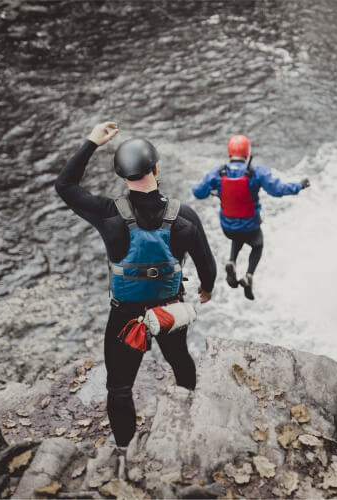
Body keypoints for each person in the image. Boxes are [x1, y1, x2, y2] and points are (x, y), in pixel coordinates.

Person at [55, 121, 216, 464]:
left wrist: (92, 142)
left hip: (126, 314)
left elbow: (65, 185)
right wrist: (206, 289)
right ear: (157, 168)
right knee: (180, 360)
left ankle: (126, 451)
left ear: (121, 177)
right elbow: (207, 264)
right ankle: (184, 416)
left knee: (120, 386)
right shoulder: (184, 216)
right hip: (170, 310)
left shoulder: (107, 213)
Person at [192, 134, 309, 300]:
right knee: (257, 245)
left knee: (237, 233)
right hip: (250, 228)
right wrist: (299, 186)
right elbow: (278, 190)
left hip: (228, 229)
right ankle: (249, 275)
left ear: (229, 153)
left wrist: (213, 189)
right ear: (247, 154)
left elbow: (198, 192)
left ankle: (232, 260)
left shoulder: (217, 173)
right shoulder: (256, 172)